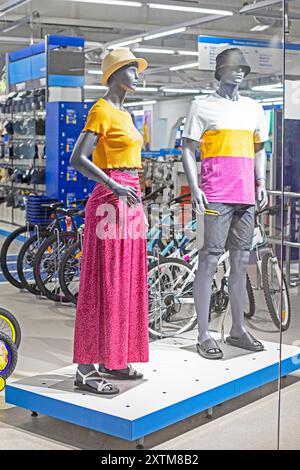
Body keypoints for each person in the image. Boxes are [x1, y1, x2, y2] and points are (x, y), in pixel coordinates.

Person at [70, 48, 149, 394]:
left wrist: (132, 192)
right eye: (131, 68)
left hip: (130, 199)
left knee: (125, 280)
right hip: (111, 199)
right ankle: (85, 370)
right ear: (115, 73)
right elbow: (78, 158)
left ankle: (112, 359)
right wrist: (113, 184)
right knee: (104, 281)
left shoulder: (126, 114)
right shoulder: (101, 110)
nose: (136, 73)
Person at [182, 48, 269, 360]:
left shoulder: (254, 108)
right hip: (215, 194)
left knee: (240, 262)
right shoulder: (202, 106)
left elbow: (260, 149)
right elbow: (188, 149)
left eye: (243, 68)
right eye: (233, 68)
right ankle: (203, 333)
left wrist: (261, 182)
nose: (239, 73)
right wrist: (194, 187)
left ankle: (237, 329)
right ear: (220, 71)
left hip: (245, 195)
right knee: (208, 260)